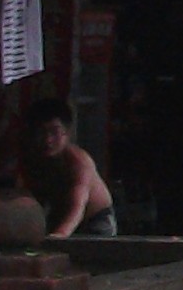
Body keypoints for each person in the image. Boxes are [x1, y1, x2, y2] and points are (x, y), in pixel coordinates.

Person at [13, 98, 117, 239]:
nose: (48, 140)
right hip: (57, 216)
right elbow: (29, 200)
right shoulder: (32, 159)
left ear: (67, 133)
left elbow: (78, 205)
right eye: (42, 132)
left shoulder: (79, 161)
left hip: (94, 220)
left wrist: (60, 235)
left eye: (54, 132)